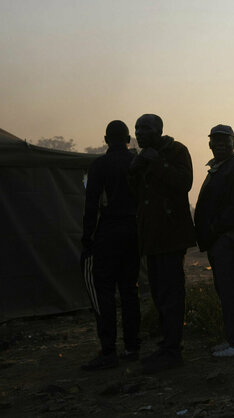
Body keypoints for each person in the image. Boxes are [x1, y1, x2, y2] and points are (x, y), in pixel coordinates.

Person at [128, 114, 196, 374]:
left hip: (170, 235)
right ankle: (167, 344)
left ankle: (172, 350)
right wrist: (134, 171)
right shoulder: (143, 155)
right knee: (158, 293)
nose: (140, 132)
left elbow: (184, 183)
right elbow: (137, 195)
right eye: (137, 128)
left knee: (171, 293)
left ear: (159, 130)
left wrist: (157, 164)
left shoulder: (176, 151)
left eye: (145, 127)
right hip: (151, 236)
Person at [80, 120, 141, 371]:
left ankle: (108, 351)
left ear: (106, 139)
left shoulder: (100, 166)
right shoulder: (137, 163)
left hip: (108, 233)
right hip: (134, 232)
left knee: (103, 291)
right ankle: (132, 347)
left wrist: (87, 239)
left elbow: (91, 206)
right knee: (129, 290)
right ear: (129, 139)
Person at [194, 124, 234, 358]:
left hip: (229, 239)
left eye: (224, 140)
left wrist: (214, 229)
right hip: (220, 239)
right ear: (209, 143)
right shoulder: (220, 167)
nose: (219, 144)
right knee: (226, 290)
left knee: (233, 291)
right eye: (215, 140)